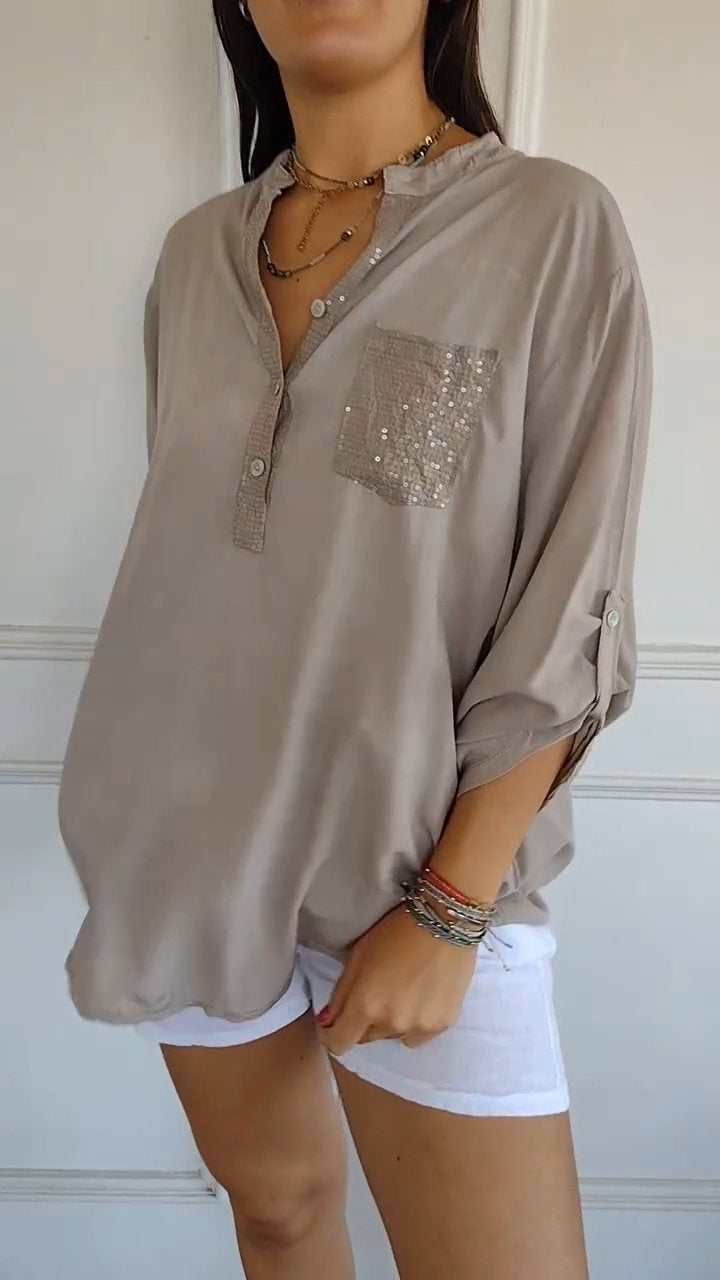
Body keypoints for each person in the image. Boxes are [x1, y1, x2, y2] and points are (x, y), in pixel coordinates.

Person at [57, 0, 653, 1275]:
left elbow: (573, 594)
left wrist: (452, 907)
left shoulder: (550, 226)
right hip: (185, 850)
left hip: (419, 866)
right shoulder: (196, 255)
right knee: (276, 1216)